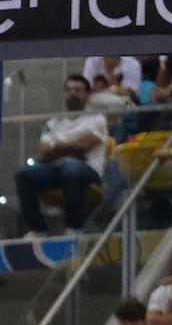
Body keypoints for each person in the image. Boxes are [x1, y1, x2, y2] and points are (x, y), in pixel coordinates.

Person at [13, 74, 109, 234]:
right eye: (69, 90)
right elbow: (42, 154)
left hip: (88, 168)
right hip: (56, 168)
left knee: (70, 169)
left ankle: (74, 227)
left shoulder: (96, 119)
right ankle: (37, 230)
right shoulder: (53, 122)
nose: (73, 93)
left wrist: (56, 147)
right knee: (23, 175)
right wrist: (70, 147)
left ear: (87, 94)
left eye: (78, 90)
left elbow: (84, 145)